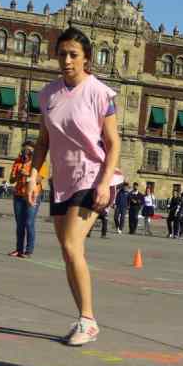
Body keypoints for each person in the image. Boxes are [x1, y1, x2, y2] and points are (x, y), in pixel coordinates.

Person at [28, 26, 124, 346]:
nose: (67, 60)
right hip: (62, 179)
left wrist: (105, 183)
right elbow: (43, 141)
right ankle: (84, 318)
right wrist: (34, 175)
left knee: (71, 244)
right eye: (62, 54)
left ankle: (88, 320)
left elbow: (113, 143)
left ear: (86, 59)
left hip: (92, 176)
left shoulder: (100, 93)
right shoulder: (48, 95)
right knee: (69, 252)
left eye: (73, 55)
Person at [10, 140, 46, 257]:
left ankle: (29, 251)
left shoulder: (39, 162)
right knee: (20, 224)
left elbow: (39, 179)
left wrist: (27, 174)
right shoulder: (17, 162)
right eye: (24, 149)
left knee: (29, 223)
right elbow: (11, 180)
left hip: (33, 195)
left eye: (29, 149)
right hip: (18, 195)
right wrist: (18, 174)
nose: (26, 151)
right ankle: (19, 250)